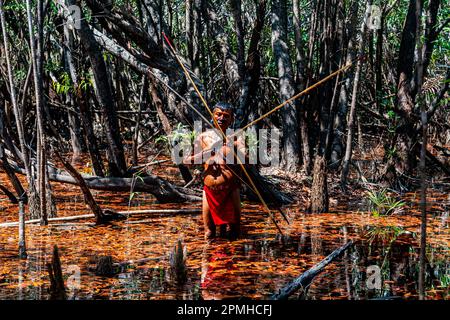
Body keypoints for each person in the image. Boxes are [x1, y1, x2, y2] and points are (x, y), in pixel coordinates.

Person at [183, 102, 246, 240]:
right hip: (209, 190)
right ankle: (209, 260)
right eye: (218, 114)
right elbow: (187, 161)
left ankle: (234, 261)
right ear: (213, 115)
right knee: (209, 233)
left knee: (234, 232)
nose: (221, 118)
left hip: (230, 189)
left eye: (226, 116)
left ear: (231, 120)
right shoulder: (203, 137)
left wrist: (232, 145)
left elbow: (246, 159)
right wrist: (208, 151)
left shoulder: (236, 137)